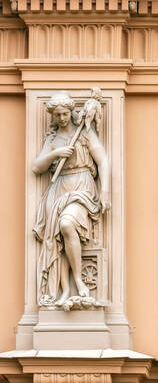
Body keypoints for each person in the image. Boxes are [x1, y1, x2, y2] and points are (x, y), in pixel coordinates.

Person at [32, 91, 110, 306]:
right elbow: (37, 167)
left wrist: (105, 191)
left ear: (71, 112)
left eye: (65, 113)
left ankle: (78, 278)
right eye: (57, 115)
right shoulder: (52, 139)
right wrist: (55, 154)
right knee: (56, 242)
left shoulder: (84, 133)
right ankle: (65, 290)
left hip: (82, 186)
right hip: (58, 190)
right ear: (53, 116)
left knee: (67, 224)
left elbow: (102, 160)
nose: (62, 118)